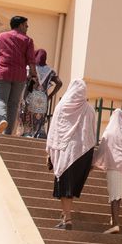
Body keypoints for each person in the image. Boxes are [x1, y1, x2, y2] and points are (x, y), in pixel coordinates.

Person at [45, 77, 96, 230]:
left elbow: (55, 130)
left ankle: (67, 219)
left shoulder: (61, 106)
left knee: (64, 186)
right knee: (71, 187)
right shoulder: (89, 109)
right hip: (83, 153)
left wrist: (49, 152)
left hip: (66, 152)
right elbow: (92, 132)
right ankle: (64, 215)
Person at [0, 15, 38, 136]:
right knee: (13, 104)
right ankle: (7, 133)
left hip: (3, 73)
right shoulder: (27, 40)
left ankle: (1, 119)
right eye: (26, 25)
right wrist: (33, 75)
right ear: (20, 25)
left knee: (0, 99)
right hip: (19, 76)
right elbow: (31, 60)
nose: (27, 27)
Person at [24, 49, 61, 139]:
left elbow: (28, 81)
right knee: (40, 117)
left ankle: (28, 134)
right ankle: (39, 134)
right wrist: (51, 95)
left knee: (29, 116)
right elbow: (59, 83)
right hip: (43, 98)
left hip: (32, 95)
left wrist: (26, 94)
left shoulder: (31, 68)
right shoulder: (50, 71)